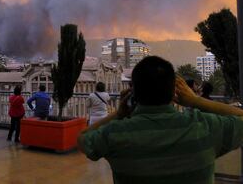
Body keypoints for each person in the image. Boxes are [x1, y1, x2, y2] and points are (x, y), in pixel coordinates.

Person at [78, 56, 243, 184]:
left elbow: (82, 138)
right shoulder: (204, 126)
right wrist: (195, 101)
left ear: (133, 93)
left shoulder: (115, 133)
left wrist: (119, 114)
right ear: (175, 92)